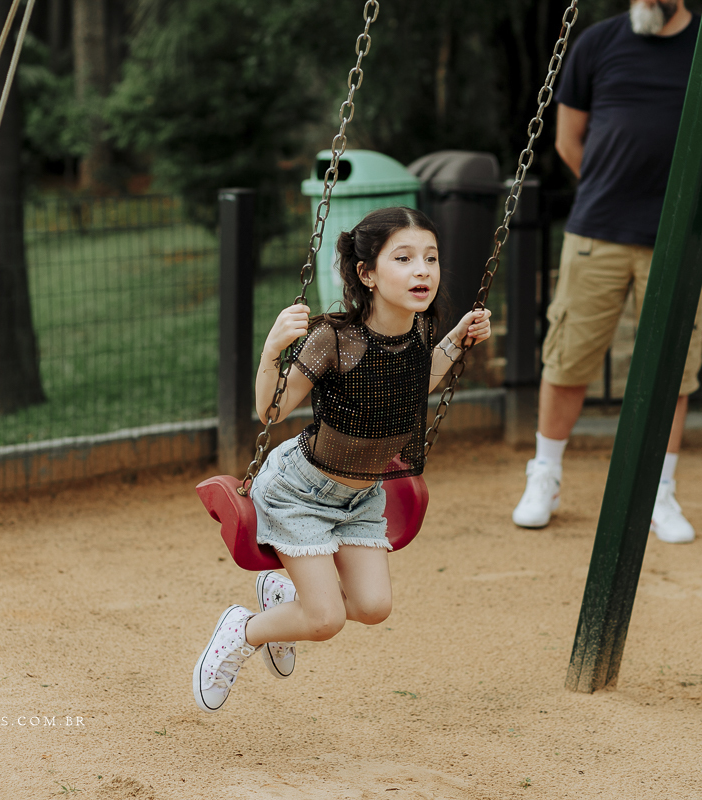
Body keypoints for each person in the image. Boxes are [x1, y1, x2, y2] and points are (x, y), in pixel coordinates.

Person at [192, 207, 491, 712]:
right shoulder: (336, 339)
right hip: (299, 491)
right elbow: (270, 409)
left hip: (360, 497)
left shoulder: (420, 331)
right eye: (404, 258)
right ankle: (242, 630)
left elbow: (420, 382)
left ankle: (285, 600)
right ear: (367, 274)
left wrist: (456, 338)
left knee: (373, 608)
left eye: (431, 258)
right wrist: (272, 352)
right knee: (325, 620)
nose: (423, 270)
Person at [511, 0, 702, 543]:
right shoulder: (596, 44)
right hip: (596, 231)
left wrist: (683, 209)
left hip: (677, 242)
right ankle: (545, 476)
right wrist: (611, 191)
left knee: (673, 367)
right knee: (567, 354)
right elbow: (568, 140)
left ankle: (659, 492)